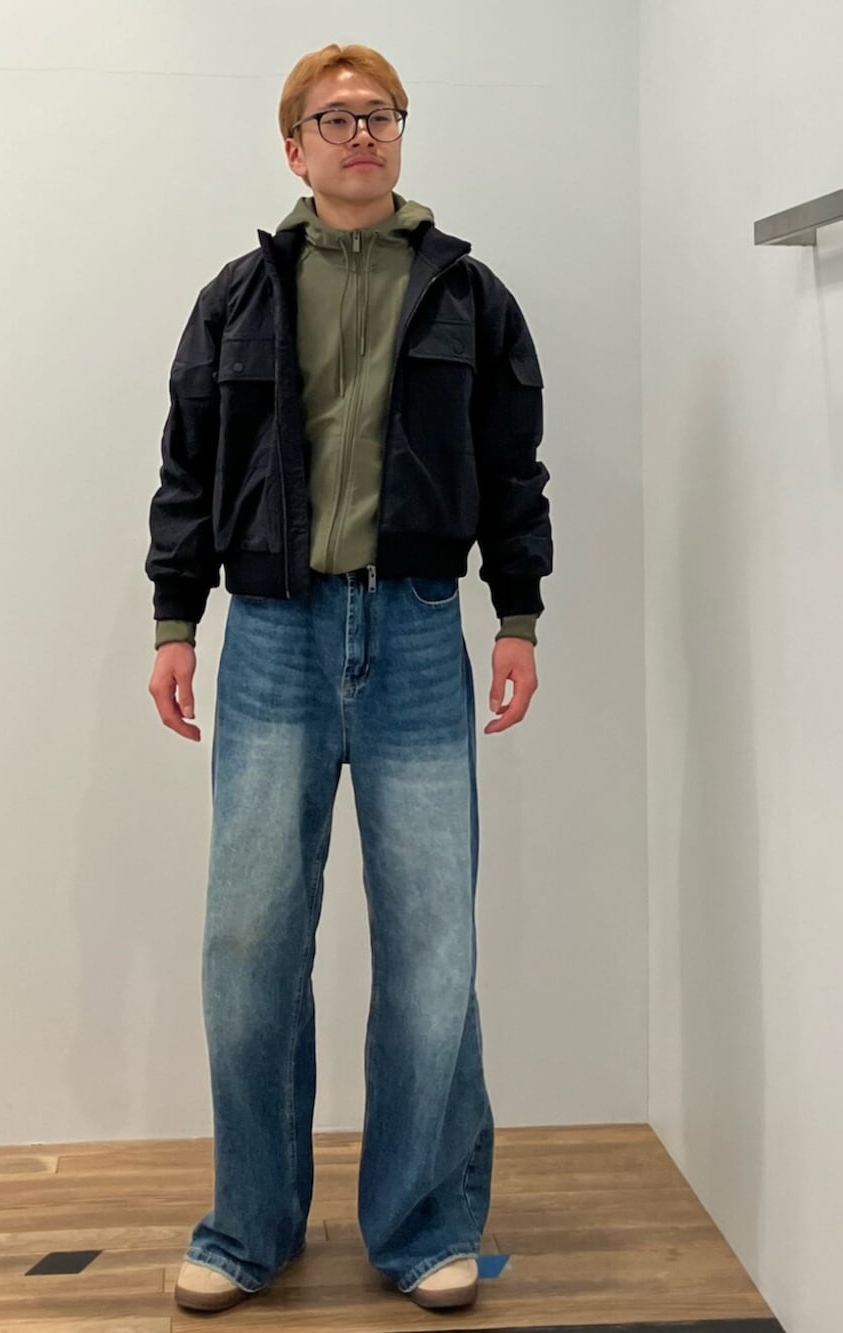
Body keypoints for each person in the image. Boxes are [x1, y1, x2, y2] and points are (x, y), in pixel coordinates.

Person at [145, 42, 552, 1315]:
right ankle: (247, 1227)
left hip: (420, 632)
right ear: (295, 147)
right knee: (248, 942)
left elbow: (514, 465)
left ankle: (423, 1225)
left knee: (431, 946)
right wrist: (174, 618)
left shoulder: (469, 296)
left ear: (399, 134)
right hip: (272, 634)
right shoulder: (238, 297)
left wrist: (518, 613)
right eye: (334, 118)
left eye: (378, 114)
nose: (360, 134)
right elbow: (188, 462)